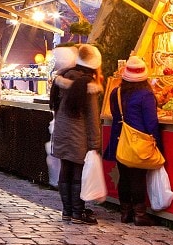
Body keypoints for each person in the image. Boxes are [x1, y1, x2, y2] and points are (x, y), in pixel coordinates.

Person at [103, 55, 161, 226]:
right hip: (138, 141)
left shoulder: (116, 92)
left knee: (125, 177)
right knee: (137, 178)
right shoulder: (146, 95)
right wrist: (157, 142)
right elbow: (151, 122)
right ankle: (140, 214)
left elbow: (115, 115)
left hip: (120, 139)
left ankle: (125, 213)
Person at [51, 43, 103, 225]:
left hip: (61, 132)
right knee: (77, 174)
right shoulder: (88, 86)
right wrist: (95, 144)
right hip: (78, 135)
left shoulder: (62, 79)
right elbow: (92, 118)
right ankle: (77, 212)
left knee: (65, 170)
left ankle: (67, 211)